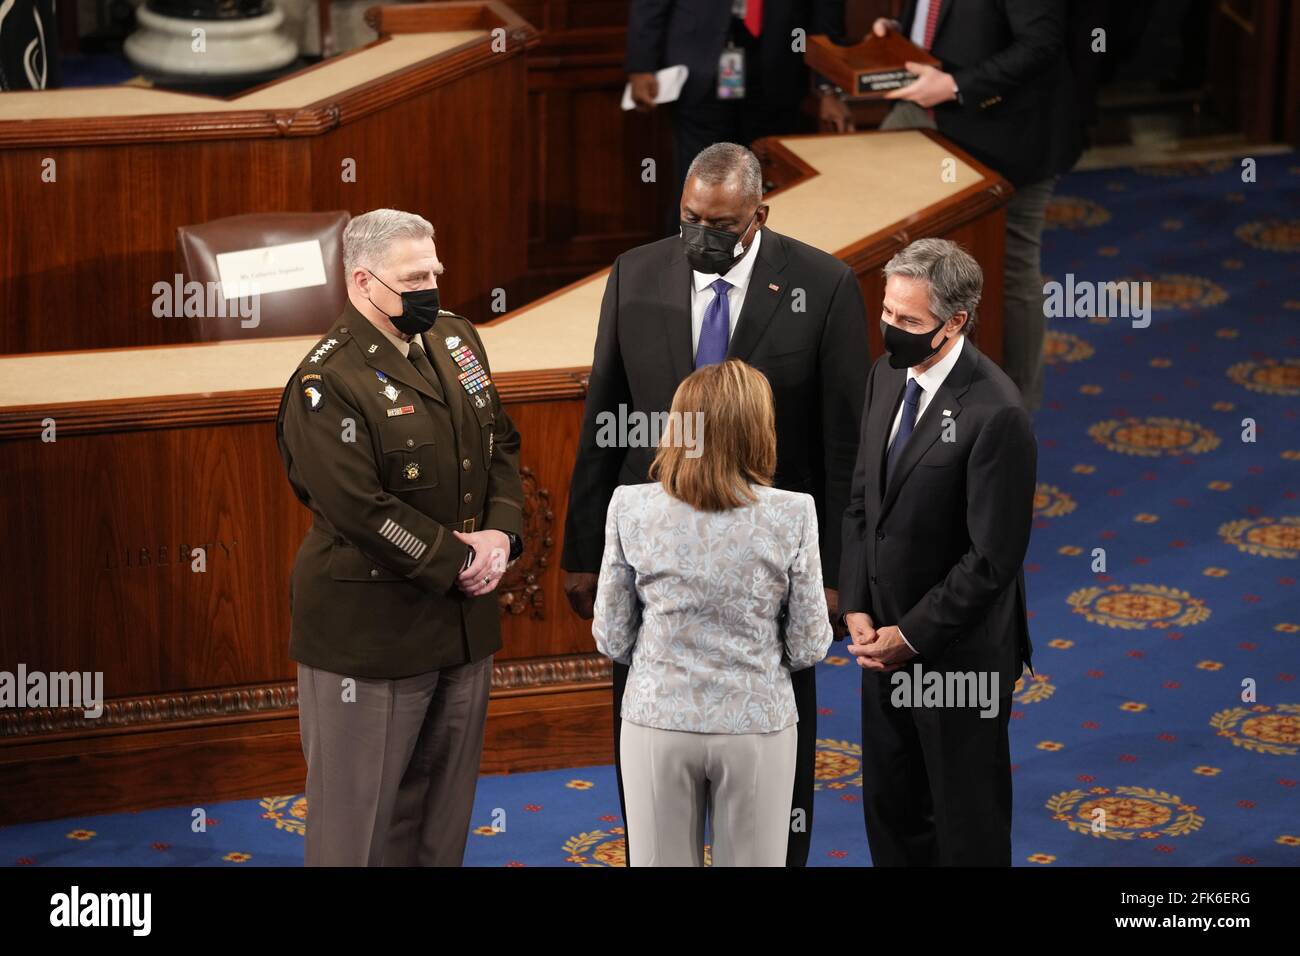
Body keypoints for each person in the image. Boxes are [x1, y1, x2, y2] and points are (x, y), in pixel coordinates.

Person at [562, 142, 869, 866]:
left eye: (720, 222)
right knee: (651, 784)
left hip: (770, 561)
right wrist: (582, 553)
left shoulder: (822, 287)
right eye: (689, 216)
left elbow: (844, 445)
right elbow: (604, 417)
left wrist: (836, 578)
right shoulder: (636, 275)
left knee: (771, 801)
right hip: (653, 553)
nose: (701, 232)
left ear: (758, 216)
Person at [275, 208, 525, 866]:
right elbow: (359, 508)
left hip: (461, 625)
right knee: (355, 830)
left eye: (434, 272)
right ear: (363, 283)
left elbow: (498, 443)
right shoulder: (326, 381)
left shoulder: (458, 339)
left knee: (440, 827)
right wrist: (456, 559)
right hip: (370, 635)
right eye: (413, 278)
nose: (431, 288)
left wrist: (500, 533)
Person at [838, 237, 1036, 866]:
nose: (892, 331)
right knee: (892, 813)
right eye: (888, 314)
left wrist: (912, 635)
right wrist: (858, 607)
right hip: (882, 648)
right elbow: (863, 502)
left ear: (955, 322)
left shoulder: (995, 411)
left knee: (963, 825)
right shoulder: (884, 376)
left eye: (909, 321)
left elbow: (992, 560)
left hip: (958, 658)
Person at [592, 359, 833, 866]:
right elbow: (810, 644)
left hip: (657, 721)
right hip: (756, 724)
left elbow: (612, 638)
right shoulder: (793, 512)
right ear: (758, 431)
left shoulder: (629, 507)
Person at [858, 1, 1076, 411]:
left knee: (1011, 270)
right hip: (925, 118)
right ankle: (912, 396)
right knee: (889, 248)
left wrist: (956, 84)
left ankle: (1015, 410)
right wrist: (901, 32)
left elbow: (1041, 44)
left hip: (1009, 135)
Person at [626, 0, 854, 224]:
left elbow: (828, 11)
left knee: (772, 185)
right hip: (699, 59)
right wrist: (642, 64)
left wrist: (829, 88)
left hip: (781, 63)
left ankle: (764, 259)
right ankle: (688, 259)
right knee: (699, 180)